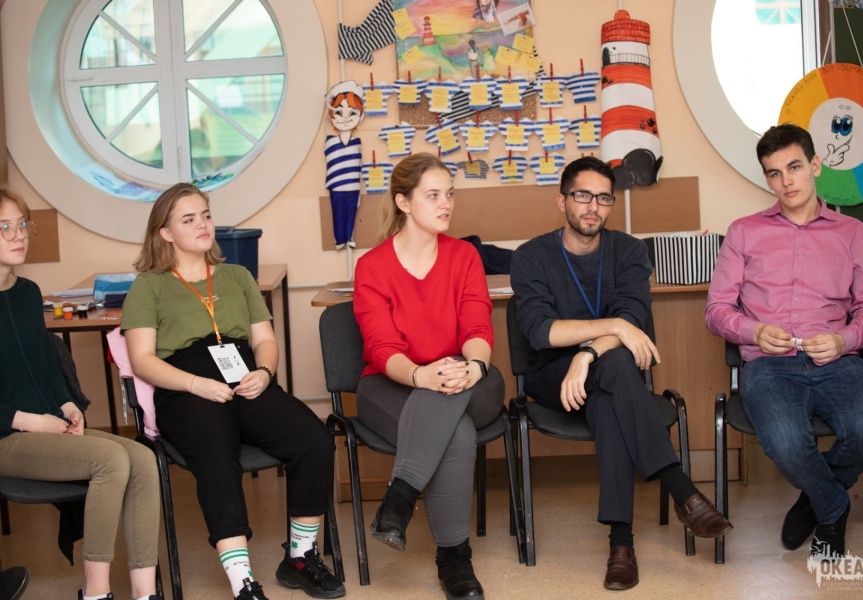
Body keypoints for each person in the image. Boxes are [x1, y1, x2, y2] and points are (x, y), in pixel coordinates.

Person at [510, 157, 733, 591]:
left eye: (604, 198)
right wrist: (613, 328)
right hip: (552, 377)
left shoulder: (629, 251)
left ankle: (621, 545)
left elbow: (632, 317)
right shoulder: (531, 257)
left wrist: (588, 354)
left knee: (609, 394)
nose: (593, 206)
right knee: (615, 366)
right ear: (562, 200)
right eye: (582, 195)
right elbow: (540, 331)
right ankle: (681, 489)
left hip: (609, 375)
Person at [122, 183, 344, 600]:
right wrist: (194, 383)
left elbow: (265, 340)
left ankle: (300, 558)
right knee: (215, 451)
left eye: (206, 215)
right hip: (184, 387)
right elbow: (142, 360)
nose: (202, 225)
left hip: (243, 377)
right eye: (189, 219)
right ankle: (243, 580)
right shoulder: (148, 286)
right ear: (165, 233)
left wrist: (265, 371)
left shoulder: (238, 276)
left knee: (314, 439)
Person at [705, 123, 863, 560]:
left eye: (794, 167)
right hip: (769, 365)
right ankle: (832, 507)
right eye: (775, 173)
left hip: (837, 361)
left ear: (815, 165)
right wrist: (754, 331)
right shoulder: (744, 232)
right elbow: (716, 310)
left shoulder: (852, 233)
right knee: (787, 443)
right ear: (767, 178)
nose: (786, 181)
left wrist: (844, 340)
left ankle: (813, 499)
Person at [354, 153, 504, 600]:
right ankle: (454, 560)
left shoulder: (464, 256)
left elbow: (477, 328)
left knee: (458, 402)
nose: (446, 204)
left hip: (466, 376)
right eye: (433, 195)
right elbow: (382, 348)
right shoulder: (372, 266)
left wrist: (472, 367)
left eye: (450, 194)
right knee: (456, 432)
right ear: (403, 202)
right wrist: (422, 376)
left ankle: (399, 497)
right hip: (393, 383)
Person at [0, 188, 161, 600]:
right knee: (110, 459)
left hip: (45, 428)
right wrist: (29, 421)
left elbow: (46, 367)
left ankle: (144, 593)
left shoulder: (27, 292)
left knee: (143, 458)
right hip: (7, 436)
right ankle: (96, 593)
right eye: (4, 227)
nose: (19, 235)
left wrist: (68, 405)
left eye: (22, 224)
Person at [324, 81, 365, 250]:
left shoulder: (357, 142)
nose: (346, 118)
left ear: (360, 116)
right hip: (336, 185)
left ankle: (349, 237)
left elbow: (359, 165)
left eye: (352, 112)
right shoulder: (330, 141)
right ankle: (340, 239)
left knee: (351, 213)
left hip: (353, 185)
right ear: (331, 116)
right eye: (339, 112)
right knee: (338, 213)